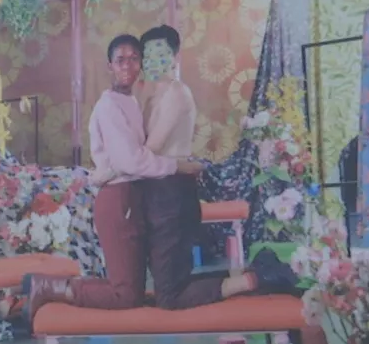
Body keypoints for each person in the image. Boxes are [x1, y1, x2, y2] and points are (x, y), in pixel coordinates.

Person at [22, 35, 203, 320]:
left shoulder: (133, 100)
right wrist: (177, 166)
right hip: (119, 201)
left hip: (132, 198)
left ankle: (51, 287)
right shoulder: (109, 106)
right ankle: (49, 287)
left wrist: (105, 173)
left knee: (134, 289)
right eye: (120, 60)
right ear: (110, 66)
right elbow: (132, 161)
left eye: (134, 59)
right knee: (125, 295)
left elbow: (130, 158)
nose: (127, 66)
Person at [94, 25, 257, 309]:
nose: (154, 61)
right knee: (163, 280)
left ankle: (250, 280)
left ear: (175, 57)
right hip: (152, 190)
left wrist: (104, 174)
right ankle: (239, 277)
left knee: (169, 295)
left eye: (162, 54)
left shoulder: (177, 93)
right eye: (148, 55)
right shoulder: (145, 94)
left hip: (173, 192)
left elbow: (147, 151)